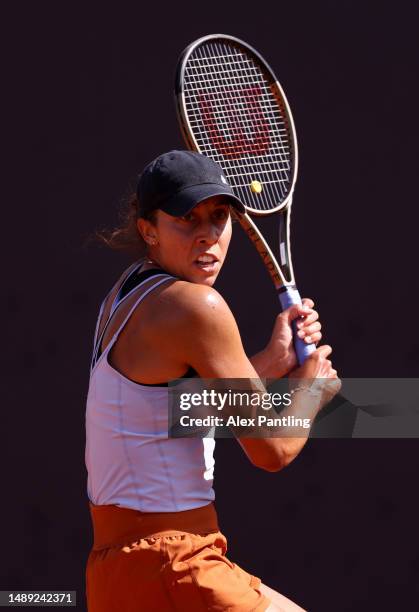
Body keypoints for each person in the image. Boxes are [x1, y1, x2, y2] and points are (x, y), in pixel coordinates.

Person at [85, 150, 340, 611]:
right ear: (149, 230)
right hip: (172, 561)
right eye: (187, 219)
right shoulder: (197, 306)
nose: (207, 236)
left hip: (119, 571)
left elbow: (166, 414)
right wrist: (312, 388)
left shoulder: (125, 294)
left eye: (219, 217)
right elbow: (271, 450)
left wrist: (269, 361)